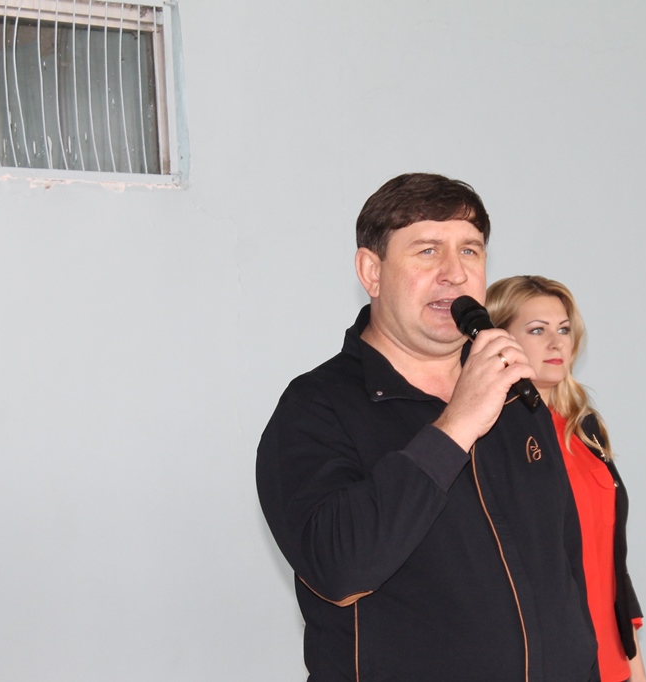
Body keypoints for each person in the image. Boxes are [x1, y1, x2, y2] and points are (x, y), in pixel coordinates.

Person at [256, 173, 598, 681]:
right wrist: (456, 425)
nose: (455, 274)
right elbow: (338, 569)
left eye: (470, 251)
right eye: (427, 251)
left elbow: (565, 573)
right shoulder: (316, 407)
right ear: (371, 271)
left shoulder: (517, 398)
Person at [486, 275, 646, 682]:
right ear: (498, 339)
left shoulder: (584, 427)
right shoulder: (487, 436)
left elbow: (609, 559)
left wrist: (634, 666)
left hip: (612, 659)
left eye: (563, 330)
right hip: (541, 662)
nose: (556, 343)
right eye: (537, 330)